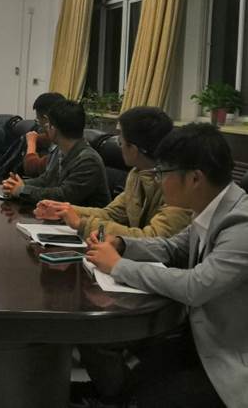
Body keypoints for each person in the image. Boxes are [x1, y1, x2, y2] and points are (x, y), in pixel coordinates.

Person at [84, 123, 248, 408]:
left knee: (148, 396)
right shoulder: (210, 207)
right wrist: (122, 244)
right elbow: (173, 247)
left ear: (194, 178)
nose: (159, 181)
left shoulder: (241, 224)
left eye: (163, 173)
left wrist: (119, 266)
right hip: (197, 336)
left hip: (229, 354)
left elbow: (196, 286)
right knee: (117, 364)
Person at [35, 106, 191, 239]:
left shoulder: (178, 185)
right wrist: (64, 210)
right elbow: (111, 214)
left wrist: (81, 224)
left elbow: (152, 238)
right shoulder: (137, 174)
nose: (118, 145)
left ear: (133, 149)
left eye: (120, 140)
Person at [2, 100, 110, 207]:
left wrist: (22, 190)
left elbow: (64, 196)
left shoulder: (88, 160)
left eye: (48, 124)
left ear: (53, 128)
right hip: (57, 214)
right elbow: (46, 180)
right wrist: (18, 184)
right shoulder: (60, 150)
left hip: (82, 217)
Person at [23, 92, 65, 176]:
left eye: (38, 120)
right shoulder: (66, 134)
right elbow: (47, 138)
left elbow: (32, 168)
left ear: (47, 119)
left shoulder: (64, 150)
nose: (38, 124)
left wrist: (31, 142)